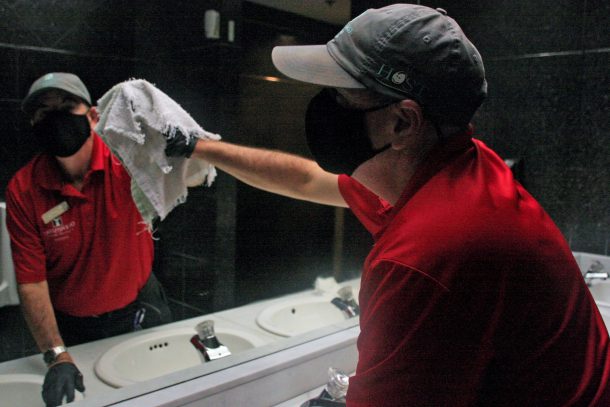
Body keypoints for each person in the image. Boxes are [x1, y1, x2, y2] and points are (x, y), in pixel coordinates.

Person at [165, 4, 610, 406]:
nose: (326, 108)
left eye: (341, 96)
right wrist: (201, 148)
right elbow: (304, 178)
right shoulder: (459, 166)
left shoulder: (424, 257)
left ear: (402, 122)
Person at [6, 72, 172, 407]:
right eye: (44, 111)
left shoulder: (128, 163)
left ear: (94, 116)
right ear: (34, 123)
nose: (57, 118)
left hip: (140, 307)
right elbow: (32, 282)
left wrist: (180, 147)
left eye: (68, 105)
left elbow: (188, 179)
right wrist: (57, 355)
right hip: (70, 325)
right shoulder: (24, 190)